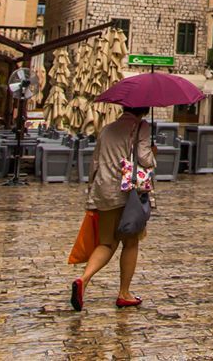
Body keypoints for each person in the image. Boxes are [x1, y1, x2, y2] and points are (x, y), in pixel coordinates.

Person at [71, 106, 156, 311]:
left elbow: (95, 162)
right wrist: (153, 154)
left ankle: (84, 279)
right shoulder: (141, 127)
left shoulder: (107, 129)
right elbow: (144, 159)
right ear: (144, 110)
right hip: (127, 193)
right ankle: (124, 293)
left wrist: (92, 191)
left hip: (103, 191)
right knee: (130, 242)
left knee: (106, 243)